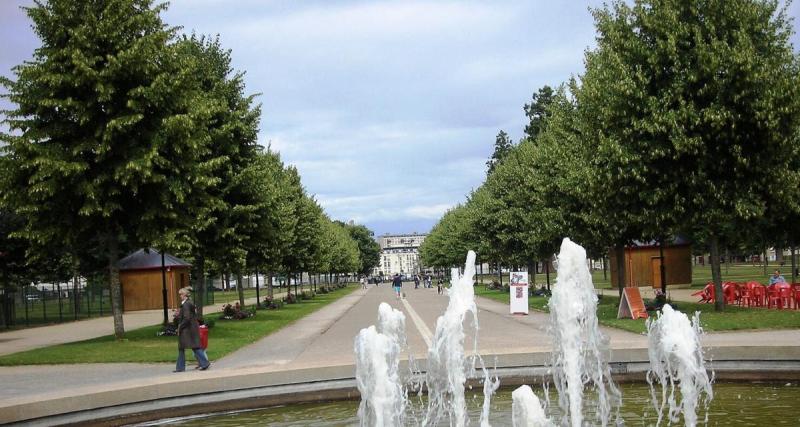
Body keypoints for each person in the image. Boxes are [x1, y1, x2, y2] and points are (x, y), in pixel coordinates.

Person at [174, 287, 211, 372]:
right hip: (191, 328)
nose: (180, 296)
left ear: (185, 295)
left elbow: (187, 318)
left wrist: (180, 327)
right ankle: (203, 363)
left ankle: (181, 367)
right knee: (190, 346)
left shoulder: (186, 304)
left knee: (186, 347)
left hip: (187, 330)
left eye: (181, 294)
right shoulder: (188, 303)